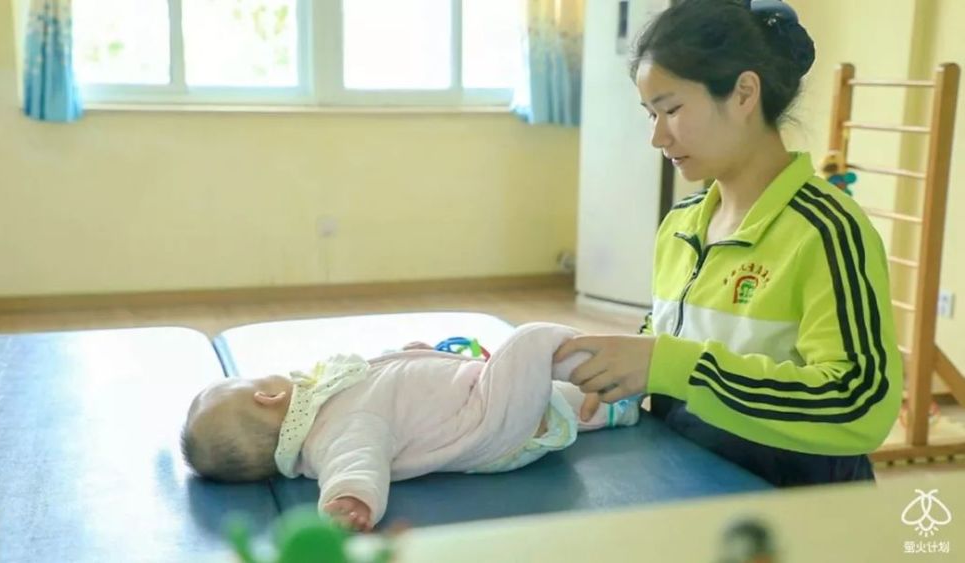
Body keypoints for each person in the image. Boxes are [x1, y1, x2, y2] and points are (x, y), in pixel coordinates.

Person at [554, 0, 902, 487]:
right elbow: (666, 338)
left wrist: (668, 365)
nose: (657, 137)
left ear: (743, 94)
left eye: (672, 110)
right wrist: (609, 372)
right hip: (691, 483)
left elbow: (859, 404)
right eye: (650, 115)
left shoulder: (826, 231)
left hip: (796, 502)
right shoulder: (681, 225)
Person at [180, 323, 640, 531]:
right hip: (488, 423)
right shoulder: (337, 431)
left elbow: (389, 387)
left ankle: (619, 406)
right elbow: (355, 465)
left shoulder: (326, 403)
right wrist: (348, 502)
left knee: (553, 394)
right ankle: (622, 360)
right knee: (533, 342)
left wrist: (414, 356)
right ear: (268, 396)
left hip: (477, 399)